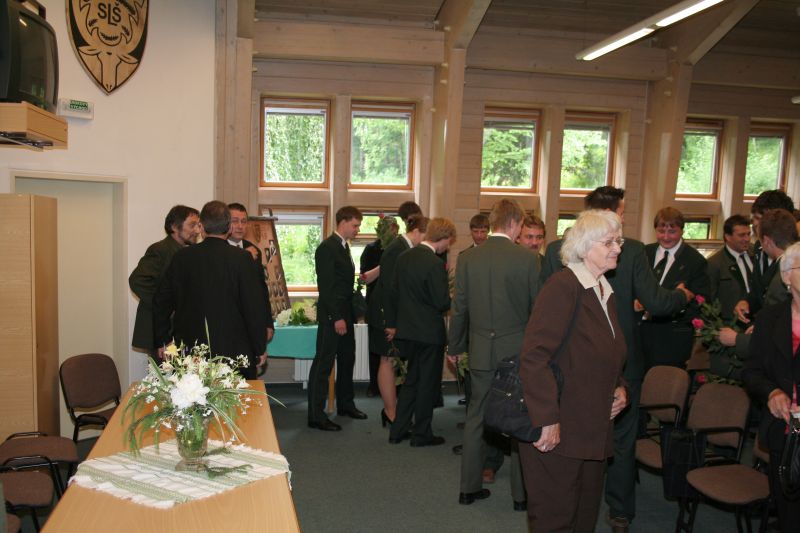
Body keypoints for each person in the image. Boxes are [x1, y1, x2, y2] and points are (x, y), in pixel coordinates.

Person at [541, 186, 689, 532]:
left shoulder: (555, 250)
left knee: (576, 434)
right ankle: (619, 511)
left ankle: (576, 507)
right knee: (621, 439)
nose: (617, 243)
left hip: (577, 365)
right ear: (611, 213)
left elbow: (542, 309)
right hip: (620, 364)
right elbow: (657, 302)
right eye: (622, 212)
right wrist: (682, 296)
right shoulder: (633, 250)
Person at [520, 209, 628, 532]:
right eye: (609, 242)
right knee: (555, 520)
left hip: (592, 429)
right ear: (584, 246)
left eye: (619, 241)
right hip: (560, 429)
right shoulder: (563, 286)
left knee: (583, 517)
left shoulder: (603, 290)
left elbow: (607, 355)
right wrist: (547, 419)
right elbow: (534, 356)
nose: (617, 248)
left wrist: (621, 387)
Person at [448, 198, 540, 508]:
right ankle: (520, 496)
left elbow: (459, 308)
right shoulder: (528, 259)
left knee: (475, 417)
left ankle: (468, 489)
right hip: (516, 352)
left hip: (480, 351)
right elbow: (537, 311)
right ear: (514, 223)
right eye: (522, 226)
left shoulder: (468, 258)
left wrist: (455, 347)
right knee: (518, 419)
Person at [152, 201, 269, 378]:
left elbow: (161, 301)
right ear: (229, 227)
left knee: (192, 394)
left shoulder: (182, 258)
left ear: (201, 227)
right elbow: (253, 307)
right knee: (236, 396)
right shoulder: (243, 259)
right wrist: (259, 347)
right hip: (234, 352)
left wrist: (163, 340)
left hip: (191, 351)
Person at [742, 241, 800, 533]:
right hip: (785, 434)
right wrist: (772, 392)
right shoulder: (769, 318)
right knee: (789, 514)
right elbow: (751, 372)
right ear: (787, 276)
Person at [385, 217, 455, 447]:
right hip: (429, 333)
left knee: (411, 381)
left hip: (407, 330)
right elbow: (441, 302)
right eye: (449, 241)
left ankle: (398, 430)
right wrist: (453, 298)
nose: (448, 246)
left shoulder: (404, 257)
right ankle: (422, 433)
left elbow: (393, 293)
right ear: (444, 238)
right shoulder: (434, 263)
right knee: (427, 384)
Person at [307, 206, 366, 431]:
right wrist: (336, 317)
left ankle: (345, 405)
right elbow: (326, 288)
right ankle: (316, 415)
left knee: (347, 359)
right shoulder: (327, 248)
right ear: (343, 222)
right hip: (333, 316)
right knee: (323, 364)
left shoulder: (343, 246)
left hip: (346, 314)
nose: (357, 230)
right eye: (355, 225)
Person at [373, 215, 428, 425]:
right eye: (425, 236)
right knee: (387, 360)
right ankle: (390, 412)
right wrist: (391, 323)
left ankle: (394, 410)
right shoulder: (396, 249)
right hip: (385, 315)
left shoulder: (404, 247)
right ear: (417, 232)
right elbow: (389, 289)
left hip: (393, 314)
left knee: (392, 361)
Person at [640, 207, 709, 369]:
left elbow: (702, 303)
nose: (666, 237)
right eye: (661, 231)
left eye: (672, 232)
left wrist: (675, 304)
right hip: (640, 335)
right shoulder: (644, 253)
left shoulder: (695, 261)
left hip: (673, 339)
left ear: (682, 231)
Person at [129, 205, 200, 355]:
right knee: (165, 370)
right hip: (162, 331)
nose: (197, 230)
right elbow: (137, 280)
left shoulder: (186, 252)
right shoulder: (160, 249)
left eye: (198, 225)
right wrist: (165, 304)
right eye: (192, 225)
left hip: (175, 329)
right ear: (174, 227)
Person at [361, 216, 400, 397]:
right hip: (376, 305)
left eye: (394, 229)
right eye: (388, 229)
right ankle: (374, 386)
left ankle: (397, 386)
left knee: (396, 350)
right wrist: (384, 265)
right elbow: (364, 278)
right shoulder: (371, 250)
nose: (392, 233)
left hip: (396, 305)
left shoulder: (401, 249)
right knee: (376, 350)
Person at [227, 202, 275, 344]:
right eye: (235, 221)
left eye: (243, 221)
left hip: (252, 323)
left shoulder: (254, 249)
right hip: (228, 323)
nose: (240, 226)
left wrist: (268, 322)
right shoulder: (219, 251)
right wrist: (243, 257)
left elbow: (261, 289)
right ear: (225, 223)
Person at [706, 214, 754, 323]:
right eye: (741, 235)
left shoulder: (757, 254)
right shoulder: (714, 263)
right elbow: (710, 301)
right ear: (728, 237)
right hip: (730, 324)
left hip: (757, 322)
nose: (747, 239)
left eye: (748, 234)